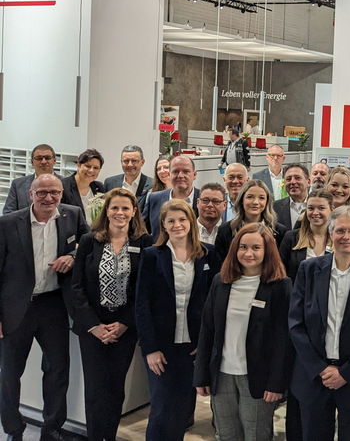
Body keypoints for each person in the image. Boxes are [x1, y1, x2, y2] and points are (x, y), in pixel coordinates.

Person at [288, 205, 350, 441]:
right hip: (314, 377)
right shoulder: (308, 269)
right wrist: (320, 368)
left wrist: (347, 372)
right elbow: (296, 323)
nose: (346, 237)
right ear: (330, 233)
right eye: (340, 230)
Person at [0, 174, 88, 441]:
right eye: (42, 193)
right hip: (16, 308)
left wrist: (72, 257)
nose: (49, 198)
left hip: (53, 305)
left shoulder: (72, 215)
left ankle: (51, 429)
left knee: (57, 370)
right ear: (31, 194)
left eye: (54, 192)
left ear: (62, 193)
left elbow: (87, 246)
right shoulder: (7, 223)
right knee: (9, 374)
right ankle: (13, 430)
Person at [194, 223, 293, 441]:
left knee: (256, 434)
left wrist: (276, 383)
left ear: (267, 251)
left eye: (256, 248)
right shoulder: (220, 281)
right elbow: (207, 331)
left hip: (258, 377)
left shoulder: (281, 286)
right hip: (222, 374)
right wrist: (201, 375)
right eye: (243, 247)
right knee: (226, 434)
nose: (248, 253)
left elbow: (283, 340)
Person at [70, 188, 151, 441]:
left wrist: (125, 323)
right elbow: (77, 287)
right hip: (92, 328)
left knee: (115, 388)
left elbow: (145, 288)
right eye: (114, 207)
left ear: (134, 212)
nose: (120, 212)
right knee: (95, 389)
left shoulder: (144, 242)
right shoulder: (89, 240)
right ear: (106, 211)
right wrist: (93, 325)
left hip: (124, 327)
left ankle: (109, 436)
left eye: (125, 208)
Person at [135, 199, 217, 441]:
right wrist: (150, 349)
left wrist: (205, 344)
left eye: (182, 219)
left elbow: (213, 304)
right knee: (161, 407)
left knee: (181, 410)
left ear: (191, 222)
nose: (177, 224)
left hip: (192, 346)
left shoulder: (208, 254)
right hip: (160, 346)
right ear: (163, 224)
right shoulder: (152, 255)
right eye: (171, 220)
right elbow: (142, 304)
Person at [214, 179, 288, 264]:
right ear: (242, 200)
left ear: (267, 202)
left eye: (261, 198)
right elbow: (220, 265)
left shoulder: (279, 231)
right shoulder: (225, 230)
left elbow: (282, 265)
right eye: (250, 197)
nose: (255, 202)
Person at [278, 189, 334, 280]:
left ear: (332, 210)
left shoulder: (338, 239)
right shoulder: (291, 238)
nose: (315, 213)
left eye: (321, 208)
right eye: (311, 208)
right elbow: (279, 271)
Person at [143, 155, 199, 242]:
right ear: (169, 175)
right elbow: (142, 231)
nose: (180, 175)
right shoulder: (154, 199)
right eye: (175, 171)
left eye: (186, 171)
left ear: (194, 175)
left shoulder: (205, 199)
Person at [3, 144, 56, 215]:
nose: (43, 162)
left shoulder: (66, 184)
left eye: (47, 158)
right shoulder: (18, 184)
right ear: (32, 162)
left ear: (54, 160)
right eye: (39, 158)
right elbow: (8, 214)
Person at [61, 148, 106, 225]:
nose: (91, 170)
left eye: (96, 168)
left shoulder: (99, 187)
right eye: (88, 166)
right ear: (78, 165)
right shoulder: (63, 186)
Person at [274, 163, 310, 230]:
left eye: (297, 178)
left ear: (308, 182)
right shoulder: (275, 207)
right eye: (288, 179)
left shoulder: (318, 206)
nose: (292, 182)